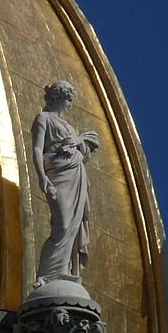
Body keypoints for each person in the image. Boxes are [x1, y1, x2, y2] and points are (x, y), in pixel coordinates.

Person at [31, 80, 100, 284]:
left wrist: (78, 141)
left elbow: (87, 144)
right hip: (57, 174)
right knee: (61, 225)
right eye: (69, 99)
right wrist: (42, 177)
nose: (70, 104)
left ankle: (63, 269)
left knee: (72, 225)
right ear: (59, 97)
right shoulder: (43, 118)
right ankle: (45, 274)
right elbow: (37, 149)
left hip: (75, 173)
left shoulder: (68, 126)